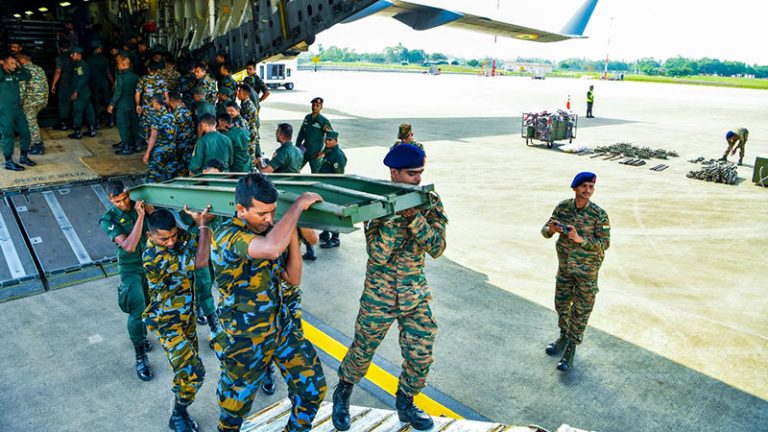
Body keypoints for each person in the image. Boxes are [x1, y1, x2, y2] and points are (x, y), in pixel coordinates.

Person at [332, 144, 448, 432]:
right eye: (411, 174)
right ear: (394, 173)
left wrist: (415, 218)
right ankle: (343, 392)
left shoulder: (429, 200)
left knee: (420, 353)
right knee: (363, 349)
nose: (418, 179)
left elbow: (437, 247)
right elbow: (378, 254)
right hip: (379, 294)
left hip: (414, 292)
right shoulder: (377, 204)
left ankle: (406, 402)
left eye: (420, 172)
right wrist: (397, 217)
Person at [212, 173, 327, 432]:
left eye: (273, 212)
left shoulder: (273, 232)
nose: (269, 219)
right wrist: (297, 206)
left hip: (280, 326)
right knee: (234, 406)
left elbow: (293, 278)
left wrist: (293, 234)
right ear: (241, 209)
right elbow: (271, 248)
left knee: (312, 387)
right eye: (262, 213)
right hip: (245, 336)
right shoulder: (227, 236)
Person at [143, 207, 214, 432]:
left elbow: (190, 240)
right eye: (164, 238)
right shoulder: (154, 256)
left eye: (173, 236)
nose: (171, 242)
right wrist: (203, 225)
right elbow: (200, 260)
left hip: (186, 318)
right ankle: (178, 415)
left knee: (184, 372)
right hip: (167, 323)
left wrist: (194, 219)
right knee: (194, 373)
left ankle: (180, 408)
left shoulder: (174, 240)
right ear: (150, 237)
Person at [541, 172, 610, 371]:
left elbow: (605, 243)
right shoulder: (563, 207)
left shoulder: (599, 214)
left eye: (591, 187)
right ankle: (563, 337)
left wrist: (580, 239)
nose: (588, 190)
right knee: (561, 305)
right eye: (584, 186)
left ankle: (571, 348)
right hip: (565, 269)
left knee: (580, 311)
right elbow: (545, 230)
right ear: (575, 188)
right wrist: (551, 230)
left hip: (587, 273)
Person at [99, 180, 154, 381]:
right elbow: (129, 246)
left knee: (150, 304)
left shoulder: (139, 204)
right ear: (110, 199)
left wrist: (150, 211)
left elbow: (157, 226)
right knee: (136, 308)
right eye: (117, 201)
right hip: (131, 267)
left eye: (124, 199)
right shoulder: (109, 218)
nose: (123, 204)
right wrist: (140, 217)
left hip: (150, 262)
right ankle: (140, 355)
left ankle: (142, 336)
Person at [0, 52, 34, 171]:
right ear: (3, 63)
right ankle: (8, 162)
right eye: (12, 63)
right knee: (8, 135)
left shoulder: (15, 74)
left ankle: (23, 157)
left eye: (15, 63)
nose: (14, 66)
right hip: (5, 111)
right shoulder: (2, 74)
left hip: (17, 109)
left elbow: (28, 76)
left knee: (26, 132)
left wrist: (20, 65)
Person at [317, 130, 347, 248]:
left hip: (332, 188)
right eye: (326, 140)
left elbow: (338, 175)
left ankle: (335, 238)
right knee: (325, 211)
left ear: (336, 141)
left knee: (333, 213)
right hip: (324, 186)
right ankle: (326, 232)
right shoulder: (328, 151)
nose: (327, 142)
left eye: (330, 140)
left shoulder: (338, 156)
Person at [108, 54, 142, 155]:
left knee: (123, 125)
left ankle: (126, 147)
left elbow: (118, 92)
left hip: (123, 106)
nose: (117, 66)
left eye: (118, 64)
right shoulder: (136, 76)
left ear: (123, 64)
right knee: (133, 125)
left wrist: (111, 104)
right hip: (133, 105)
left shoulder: (121, 77)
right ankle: (136, 144)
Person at [16, 52, 49, 156]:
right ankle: (36, 143)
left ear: (22, 58)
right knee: (32, 122)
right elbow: (45, 85)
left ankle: (37, 145)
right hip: (40, 101)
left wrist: (19, 103)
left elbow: (22, 90)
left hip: (30, 102)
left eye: (17, 60)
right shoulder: (39, 68)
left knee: (31, 123)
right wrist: (45, 100)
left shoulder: (22, 70)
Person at [143, 95, 178, 183]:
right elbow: (175, 134)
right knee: (170, 176)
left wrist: (147, 153)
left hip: (159, 150)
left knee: (152, 175)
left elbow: (153, 137)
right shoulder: (171, 116)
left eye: (153, 104)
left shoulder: (156, 117)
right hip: (171, 148)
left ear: (156, 104)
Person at [295, 97, 333, 173]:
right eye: (313, 105)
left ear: (321, 107)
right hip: (304, 149)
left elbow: (331, 136)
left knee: (316, 174)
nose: (314, 107)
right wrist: (298, 148)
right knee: (294, 168)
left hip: (315, 152)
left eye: (317, 105)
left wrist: (323, 152)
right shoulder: (307, 117)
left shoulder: (323, 121)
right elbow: (301, 134)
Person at [135, 61, 168, 142]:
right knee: (159, 125)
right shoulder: (162, 80)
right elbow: (166, 95)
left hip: (147, 108)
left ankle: (148, 143)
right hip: (160, 107)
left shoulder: (143, 79)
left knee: (148, 127)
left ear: (148, 69)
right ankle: (158, 142)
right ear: (158, 70)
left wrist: (138, 104)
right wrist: (167, 106)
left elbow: (137, 93)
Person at [68, 47, 97, 139]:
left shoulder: (80, 65)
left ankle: (77, 132)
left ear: (77, 54)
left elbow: (82, 79)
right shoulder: (80, 64)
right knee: (89, 111)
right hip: (86, 92)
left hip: (81, 92)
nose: (71, 56)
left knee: (77, 111)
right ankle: (91, 130)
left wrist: (76, 91)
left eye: (72, 54)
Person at [86, 42, 114, 128]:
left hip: (93, 83)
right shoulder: (104, 59)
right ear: (96, 49)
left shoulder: (88, 59)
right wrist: (113, 82)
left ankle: (97, 122)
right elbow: (108, 72)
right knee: (107, 101)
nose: (101, 50)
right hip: (104, 83)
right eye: (100, 48)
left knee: (95, 102)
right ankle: (110, 120)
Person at [168, 91, 196, 176]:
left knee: (179, 165)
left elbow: (174, 133)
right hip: (190, 141)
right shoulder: (187, 110)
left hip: (180, 144)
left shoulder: (174, 115)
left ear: (170, 100)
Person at [51, 41, 74, 130]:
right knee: (73, 101)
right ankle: (73, 122)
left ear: (61, 48)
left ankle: (63, 123)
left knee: (63, 102)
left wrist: (53, 84)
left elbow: (58, 71)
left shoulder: (60, 58)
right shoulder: (74, 56)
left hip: (65, 82)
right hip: (74, 81)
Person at [235, 83, 261, 158]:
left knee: (250, 157)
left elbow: (246, 123)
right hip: (248, 131)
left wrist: (237, 115)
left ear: (246, 94)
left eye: (240, 92)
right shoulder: (244, 103)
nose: (237, 94)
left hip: (250, 133)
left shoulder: (248, 107)